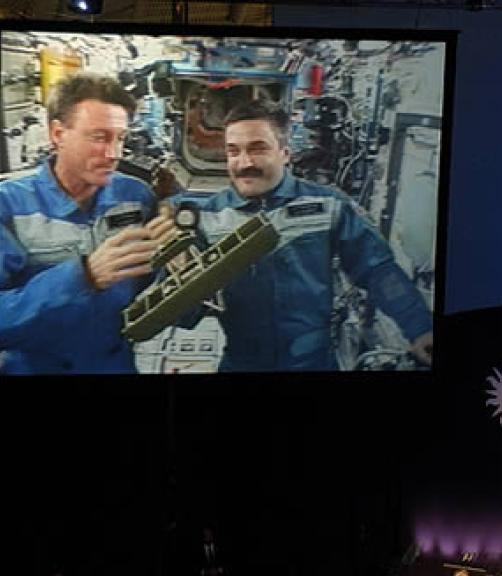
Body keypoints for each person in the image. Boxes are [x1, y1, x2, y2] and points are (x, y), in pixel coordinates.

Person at [175, 99, 433, 371]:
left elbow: (379, 271)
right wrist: (178, 280)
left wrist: (420, 328)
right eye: (233, 152)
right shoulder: (209, 217)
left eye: (258, 149)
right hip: (241, 362)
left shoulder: (328, 205)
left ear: (285, 152)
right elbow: (184, 316)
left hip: (314, 362)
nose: (244, 163)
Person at [0, 73, 174, 373]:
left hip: (114, 364)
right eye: (99, 137)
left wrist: (174, 259)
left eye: (121, 138)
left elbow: (151, 286)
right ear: (57, 134)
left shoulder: (135, 196)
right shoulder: (9, 205)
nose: (113, 154)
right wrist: (83, 276)